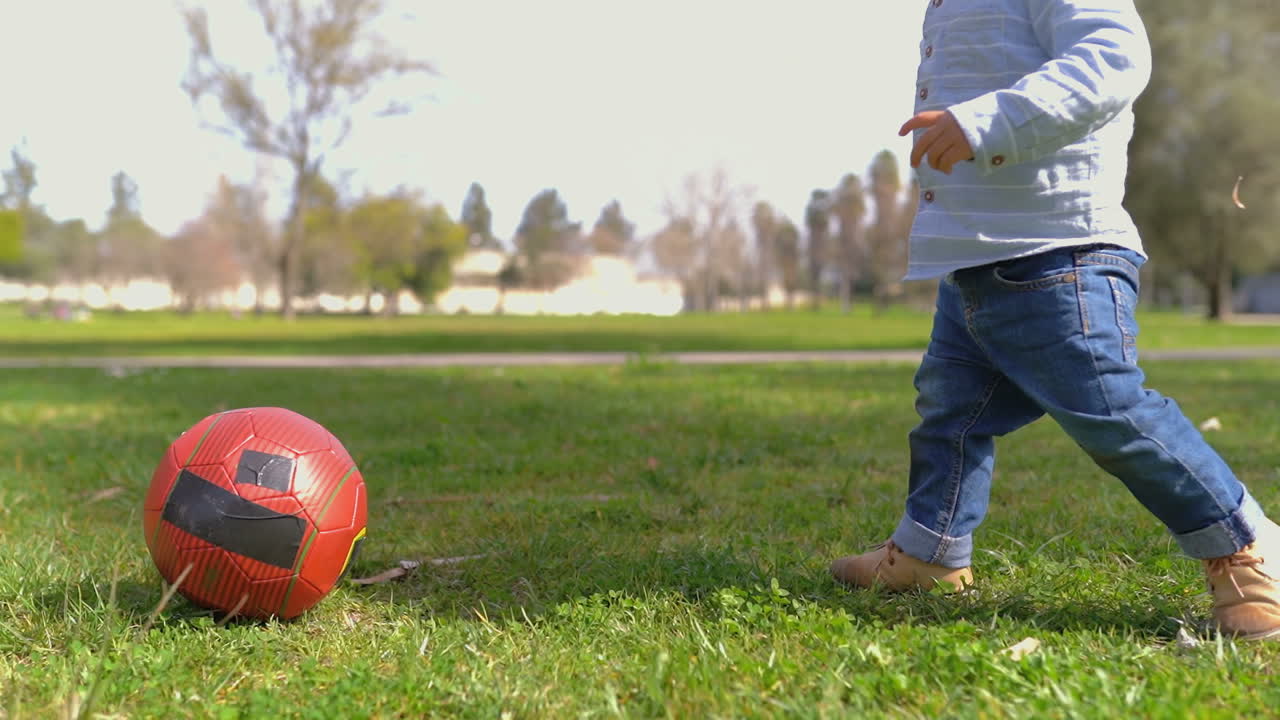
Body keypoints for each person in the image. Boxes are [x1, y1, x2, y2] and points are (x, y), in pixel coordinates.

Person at [829, 0, 1280, 641]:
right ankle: (930, 552)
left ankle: (1247, 550)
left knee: (1111, 412)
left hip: (1058, 251)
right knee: (951, 413)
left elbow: (1114, 57)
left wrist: (987, 120)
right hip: (976, 255)